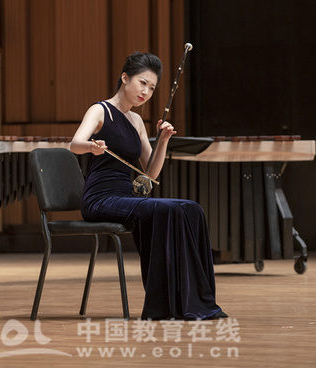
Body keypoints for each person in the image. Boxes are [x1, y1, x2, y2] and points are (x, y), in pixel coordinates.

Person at [70, 51, 227, 320]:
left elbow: (150, 174)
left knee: (191, 209)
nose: (146, 91)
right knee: (170, 210)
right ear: (125, 78)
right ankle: (165, 306)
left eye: (152, 88)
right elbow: (75, 144)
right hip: (100, 198)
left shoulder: (136, 121)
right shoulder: (100, 110)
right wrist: (91, 147)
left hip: (126, 197)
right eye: (142, 83)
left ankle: (195, 302)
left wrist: (163, 140)